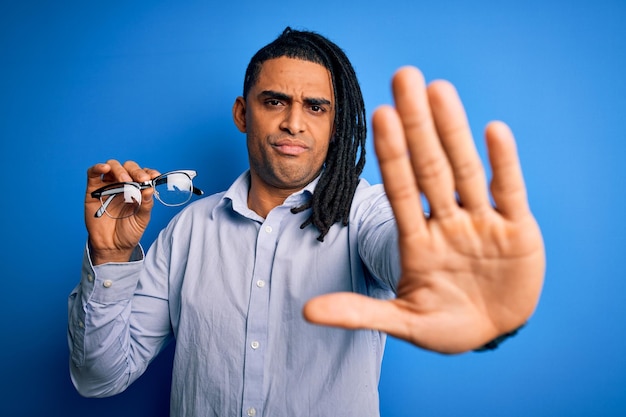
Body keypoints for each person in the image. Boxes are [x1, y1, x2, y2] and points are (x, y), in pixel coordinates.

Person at [68, 27, 545, 417]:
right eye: (274, 101)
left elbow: (402, 247)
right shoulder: (189, 230)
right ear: (242, 113)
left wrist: (457, 274)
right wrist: (111, 257)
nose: (294, 122)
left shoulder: (365, 214)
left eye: (315, 107)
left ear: (335, 125)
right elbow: (99, 378)